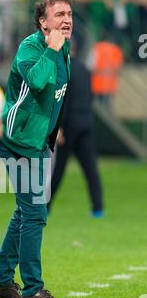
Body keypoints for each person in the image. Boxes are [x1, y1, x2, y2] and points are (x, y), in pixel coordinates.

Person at [0, 0, 72, 298]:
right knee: (35, 212)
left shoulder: (63, 47)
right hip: (18, 141)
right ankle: (32, 290)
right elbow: (36, 82)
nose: (66, 19)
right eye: (59, 14)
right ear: (43, 22)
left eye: (69, 13)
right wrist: (52, 49)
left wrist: (53, 128)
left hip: (38, 141)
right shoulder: (31, 47)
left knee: (25, 211)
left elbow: (56, 94)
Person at [49, 42, 104, 217]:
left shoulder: (63, 68)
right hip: (86, 122)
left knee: (58, 168)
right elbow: (90, 95)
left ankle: (46, 207)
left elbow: (63, 101)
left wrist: (59, 127)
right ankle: (98, 209)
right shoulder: (85, 69)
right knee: (91, 169)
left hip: (69, 126)